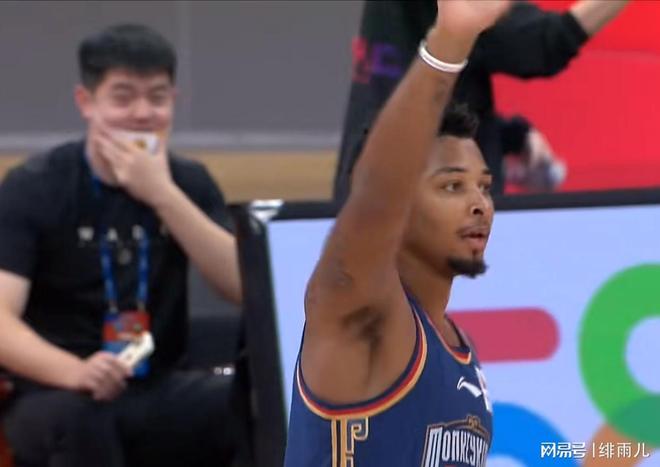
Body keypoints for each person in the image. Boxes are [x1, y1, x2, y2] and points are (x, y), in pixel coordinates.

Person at [0, 24, 246, 467]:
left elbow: (244, 286)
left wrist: (163, 195)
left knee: (247, 402)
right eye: (123, 98)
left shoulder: (189, 181)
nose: (142, 113)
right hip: (56, 388)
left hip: (158, 383)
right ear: (86, 103)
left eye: (157, 98)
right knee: (80, 419)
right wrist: (76, 371)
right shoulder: (35, 186)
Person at [285, 1, 512, 466]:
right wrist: (449, 42)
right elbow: (375, 194)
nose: (479, 204)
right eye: (452, 186)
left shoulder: (457, 345)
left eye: (484, 187)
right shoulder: (359, 307)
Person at [333, 0, 630, 201]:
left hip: (369, 210)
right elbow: (544, 44)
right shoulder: (456, 13)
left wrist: (509, 136)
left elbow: (415, 91)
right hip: (420, 221)